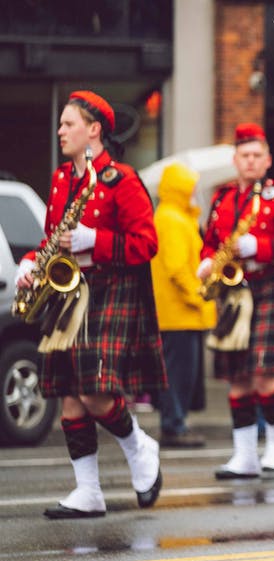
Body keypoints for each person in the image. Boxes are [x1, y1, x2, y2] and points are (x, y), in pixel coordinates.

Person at [15, 91, 165, 518]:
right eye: (61, 124)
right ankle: (88, 490)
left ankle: (139, 445)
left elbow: (147, 243)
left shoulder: (122, 179)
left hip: (108, 288)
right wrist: (32, 263)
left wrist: (94, 241)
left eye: (69, 124)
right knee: (68, 394)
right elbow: (52, 238)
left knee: (94, 392)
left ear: (94, 130)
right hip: (68, 290)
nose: (61, 131)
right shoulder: (63, 178)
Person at [198, 123, 274, 479]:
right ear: (235, 159)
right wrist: (205, 259)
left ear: (267, 160)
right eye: (244, 155)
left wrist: (258, 248)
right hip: (235, 291)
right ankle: (244, 456)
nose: (249, 161)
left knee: (263, 373)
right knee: (238, 378)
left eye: (256, 155)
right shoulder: (223, 198)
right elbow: (212, 241)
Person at [150, 162, 215, 448]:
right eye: (190, 187)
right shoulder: (171, 219)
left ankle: (176, 423)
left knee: (181, 374)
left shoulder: (177, 217)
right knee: (177, 375)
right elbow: (177, 268)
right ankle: (174, 426)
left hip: (180, 313)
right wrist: (199, 294)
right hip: (177, 312)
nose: (195, 193)